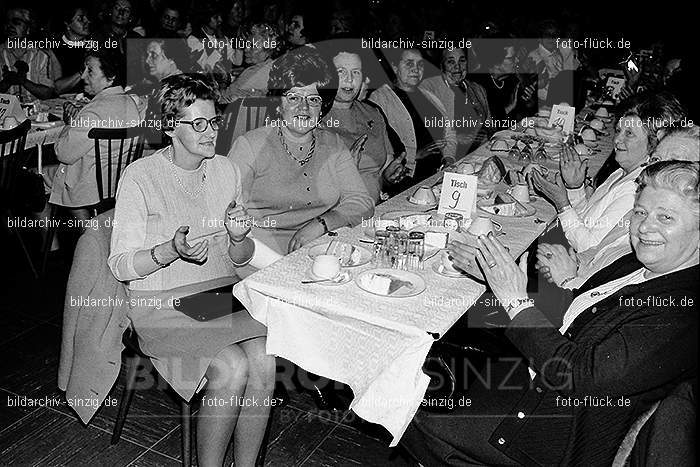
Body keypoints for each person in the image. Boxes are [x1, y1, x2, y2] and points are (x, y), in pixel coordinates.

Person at [403, 160, 699, 466]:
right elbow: (577, 312)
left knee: (410, 410)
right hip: (538, 385)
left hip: (551, 435)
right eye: (640, 212)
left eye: (665, 217)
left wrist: (515, 300)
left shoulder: (681, 312)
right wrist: (496, 279)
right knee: (424, 362)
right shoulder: (639, 267)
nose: (645, 227)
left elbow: (580, 376)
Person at [108, 73, 276, 467]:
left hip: (214, 295)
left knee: (266, 356)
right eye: (197, 123)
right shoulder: (140, 177)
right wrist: (170, 250)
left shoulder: (226, 170)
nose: (209, 131)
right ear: (169, 127)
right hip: (162, 302)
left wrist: (238, 238)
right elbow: (119, 265)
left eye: (213, 121)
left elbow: (238, 259)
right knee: (231, 365)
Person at [228, 47, 374, 254]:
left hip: (319, 247)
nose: (304, 108)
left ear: (322, 107)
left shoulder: (334, 144)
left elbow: (362, 202)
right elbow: (226, 212)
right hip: (259, 253)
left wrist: (321, 224)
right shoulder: (250, 146)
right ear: (278, 103)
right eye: (294, 98)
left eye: (313, 99)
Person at [537, 124, 700, 291]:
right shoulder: (640, 209)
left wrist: (567, 280)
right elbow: (598, 250)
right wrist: (573, 261)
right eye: (656, 160)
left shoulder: (663, 237)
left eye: (675, 163)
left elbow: (615, 301)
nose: (658, 170)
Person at [531, 92, 686, 252]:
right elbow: (585, 220)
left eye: (629, 134)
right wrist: (575, 187)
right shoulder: (620, 172)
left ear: (653, 144)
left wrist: (562, 204)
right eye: (618, 130)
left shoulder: (634, 190)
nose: (617, 139)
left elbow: (588, 247)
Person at [48, 49, 146, 220]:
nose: (83, 76)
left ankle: (56, 243)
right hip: (117, 183)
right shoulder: (131, 103)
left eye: (90, 71)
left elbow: (63, 153)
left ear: (111, 76)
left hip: (87, 188)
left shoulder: (92, 112)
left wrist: (70, 123)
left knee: (36, 177)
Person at [322, 42, 405, 203]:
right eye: (341, 72)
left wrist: (389, 175)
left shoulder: (373, 113)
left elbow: (383, 168)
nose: (350, 79)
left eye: (356, 72)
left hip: (375, 210)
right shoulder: (313, 119)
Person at [369, 48, 456, 189]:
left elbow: (449, 131)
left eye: (420, 64)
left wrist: (449, 158)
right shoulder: (379, 98)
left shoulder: (430, 95)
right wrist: (414, 155)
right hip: (408, 178)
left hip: (439, 173)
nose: (416, 69)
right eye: (409, 63)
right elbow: (377, 145)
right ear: (394, 66)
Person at [420, 47, 491, 156]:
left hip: (478, 153)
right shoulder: (429, 89)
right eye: (450, 62)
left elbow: (488, 123)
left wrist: (485, 135)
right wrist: (457, 137)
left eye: (462, 61)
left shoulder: (477, 89)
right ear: (441, 65)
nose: (457, 67)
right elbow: (425, 133)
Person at [0, 6, 61, 100]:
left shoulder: (40, 55)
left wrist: (23, 81)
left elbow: (47, 93)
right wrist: (7, 82)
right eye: (7, 22)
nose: (10, 26)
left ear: (28, 28)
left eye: (16, 22)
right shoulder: (1, 53)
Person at [219, 22, 279, 102]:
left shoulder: (255, 73)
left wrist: (222, 81)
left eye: (252, 46)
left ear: (267, 51)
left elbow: (222, 99)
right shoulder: (269, 65)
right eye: (246, 44)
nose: (246, 49)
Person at [52, 6, 93, 95]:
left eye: (87, 18)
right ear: (67, 24)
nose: (87, 21)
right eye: (81, 19)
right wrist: (83, 70)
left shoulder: (96, 44)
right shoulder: (55, 49)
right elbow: (58, 88)